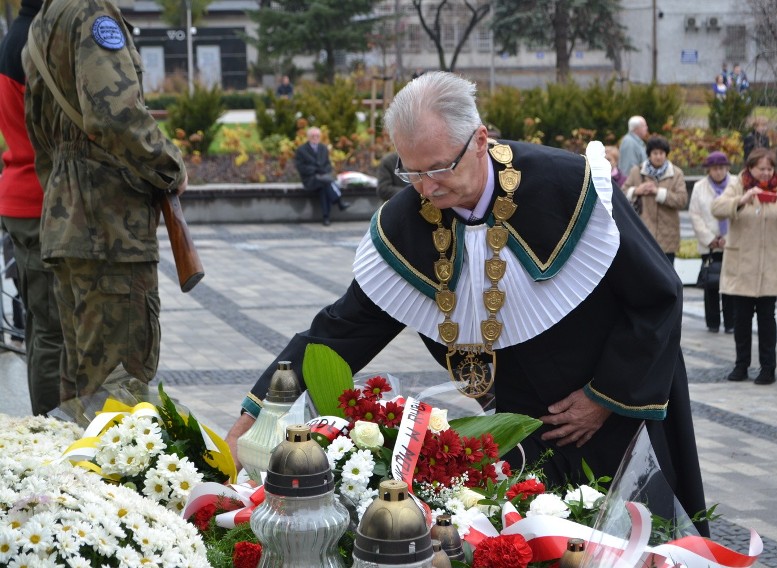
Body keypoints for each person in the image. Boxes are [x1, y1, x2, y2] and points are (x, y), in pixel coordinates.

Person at [225, 72, 709, 535]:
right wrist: (258, 409)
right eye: (411, 171)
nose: (427, 188)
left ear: (479, 140)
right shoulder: (408, 222)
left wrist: (604, 398)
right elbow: (337, 332)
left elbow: (657, 297)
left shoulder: (571, 184)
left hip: (619, 410)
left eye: (439, 168)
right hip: (525, 431)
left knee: (644, 541)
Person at [23, 0, 188, 403]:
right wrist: (171, 166)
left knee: (82, 392)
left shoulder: (45, 19)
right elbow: (114, 113)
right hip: (110, 228)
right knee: (119, 397)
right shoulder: (93, 12)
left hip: (70, 223)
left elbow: (39, 133)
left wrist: (65, 198)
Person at [0, 0, 64, 415]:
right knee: (52, 331)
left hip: (23, 196)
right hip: (40, 200)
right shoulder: (36, 41)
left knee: (41, 326)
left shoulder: (16, 37)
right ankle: (50, 431)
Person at [711, 148, 777, 385]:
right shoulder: (737, 185)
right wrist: (740, 201)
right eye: (761, 168)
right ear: (750, 168)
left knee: (767, 318)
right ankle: (741, 365)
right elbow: (717, 208)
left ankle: (768, 368)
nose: (766, 173)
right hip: (742, 264)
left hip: (771, 265)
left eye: (769, 168)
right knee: (741, 318)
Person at [621, 135, 688, 264]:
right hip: (643, 231)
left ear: (666, 154)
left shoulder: (676, 173)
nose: (658, 156)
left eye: (661, 153)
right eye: (655, 153)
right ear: (649, 154)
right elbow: (622, 193)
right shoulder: (637, 171)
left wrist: (659, 193)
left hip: (668, 233)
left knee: (667, 276)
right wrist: (636, 190)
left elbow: (682, 200)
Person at [688, 152, 734, 334]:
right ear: (709, 170)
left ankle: (731, 322)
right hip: (709, 245)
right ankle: (713, 322)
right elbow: (695, 215)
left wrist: (727, 239)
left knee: (731, 286)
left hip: (731, 244)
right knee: (711, 285)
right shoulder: (700, 187)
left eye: (721, 168)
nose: (718, 172)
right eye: (714, 169)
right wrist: (711, 239)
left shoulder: (736, 184)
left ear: (727, 168)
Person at [294, 126, 351, 226]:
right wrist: (316, 170)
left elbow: (328, 165)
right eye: (313, 136)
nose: (315, 138)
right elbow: (301, 167)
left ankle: (326, 218)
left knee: (324, 189)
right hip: (310, 180)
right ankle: (339, 201)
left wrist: (324, 171)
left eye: (317, 136)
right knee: (326, 183)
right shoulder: (301, 150)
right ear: (308, 137)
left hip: (323, 180)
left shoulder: (323, 148)